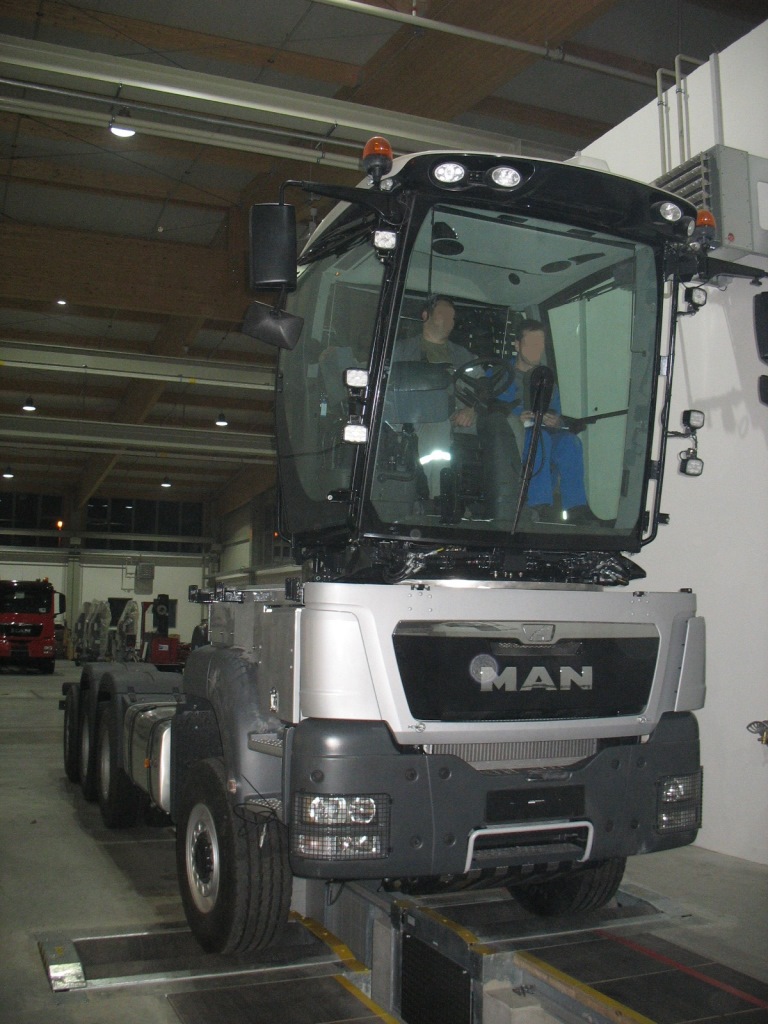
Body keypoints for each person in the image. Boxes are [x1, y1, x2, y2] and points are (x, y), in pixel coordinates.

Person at [498, 320, 595, 524]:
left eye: (540, 344)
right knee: (539, 437)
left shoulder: (546, 378)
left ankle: (576, 507)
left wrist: (556, 421)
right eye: (531, 343)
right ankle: (537, 505)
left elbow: (556, 410)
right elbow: (493, 408)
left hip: (544, 432)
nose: (537, 349)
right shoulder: (501, 374)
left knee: (570, 443)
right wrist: (516, 417)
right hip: (513, 434)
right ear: (517, 345)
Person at [393, 296, 476, 500]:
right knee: (437, 425)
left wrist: (471, 408)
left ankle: (503, 500)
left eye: (452, 317)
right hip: (412, 416)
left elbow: (481, 386)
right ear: (425, 315)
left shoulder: (462, 355)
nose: (449, 321)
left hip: (455, 415)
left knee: (502, 423)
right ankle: (439, 499)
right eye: (443, 314)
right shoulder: (400, 350)